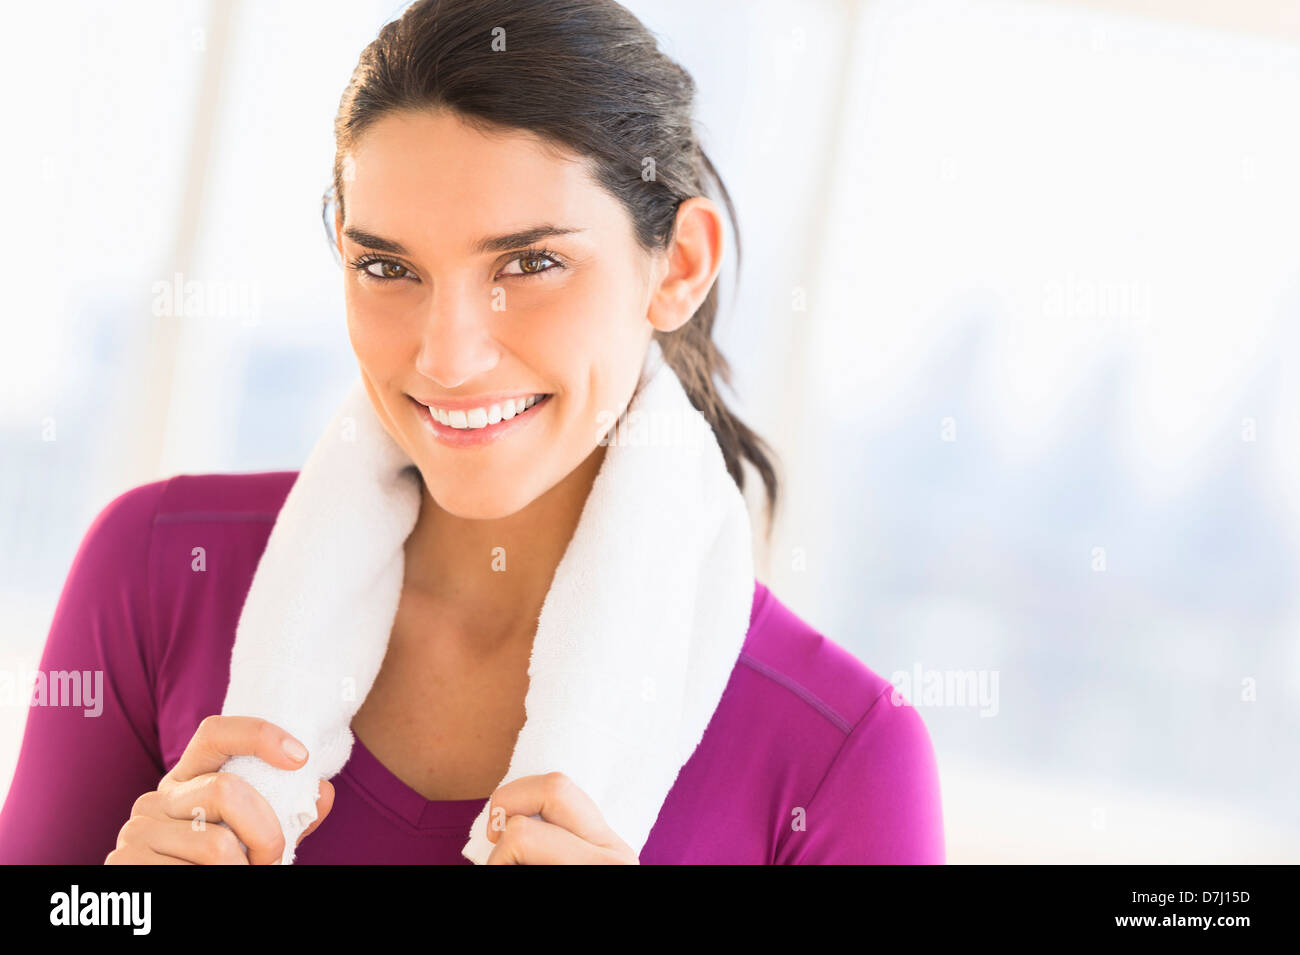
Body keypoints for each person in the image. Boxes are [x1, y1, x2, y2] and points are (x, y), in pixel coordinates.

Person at [0, 0, 943, 864]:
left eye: (531, 262)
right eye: (387, 267)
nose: (448, 356)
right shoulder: (157, 574)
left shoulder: (842, 758)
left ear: (678, 266)